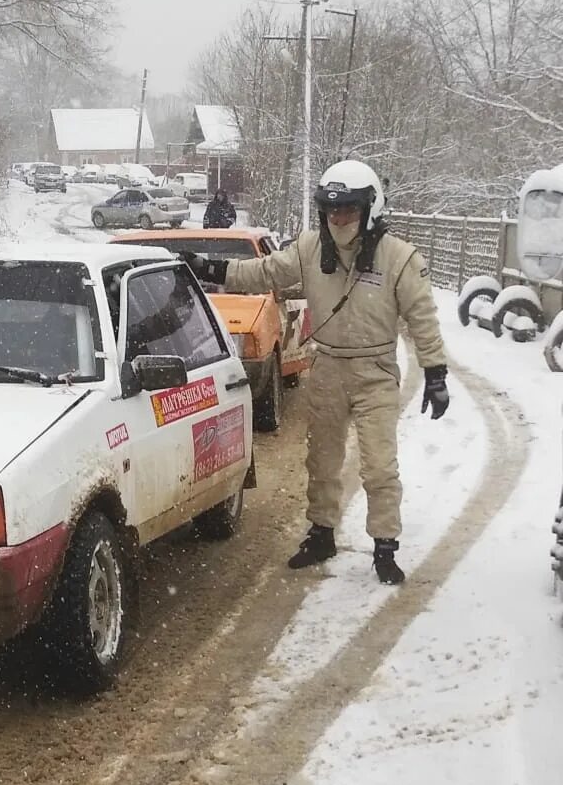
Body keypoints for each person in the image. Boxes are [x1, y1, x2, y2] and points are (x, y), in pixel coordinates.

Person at [189, 159, 449, 585]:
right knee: (322, 460)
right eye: (331, 210)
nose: (339, 218)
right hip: (327, 366)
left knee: (380, 465)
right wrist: (211, 269)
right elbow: (266, 272)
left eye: (347, 210)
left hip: (375, 370)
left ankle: (385, 545)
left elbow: (422, 316)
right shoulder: (311, 249)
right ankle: (322, 532)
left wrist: (435, 371)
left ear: (369, 209)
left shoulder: (399, 258)